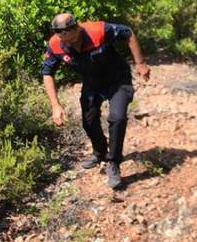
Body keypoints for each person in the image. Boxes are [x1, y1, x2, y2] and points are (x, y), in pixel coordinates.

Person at [41, 13, 150, 189]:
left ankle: (113, 162)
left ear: (77, 28)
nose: (68, 44)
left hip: (118, 79)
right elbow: (47, 73)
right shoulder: (56, 44)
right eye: (63, 41)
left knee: (117, 118)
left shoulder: (98, 30)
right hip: (92, 83)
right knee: (89, 120)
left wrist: (141, 63)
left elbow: (128, 32)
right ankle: (99, 152)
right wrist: (55, 105)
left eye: (70, 39)